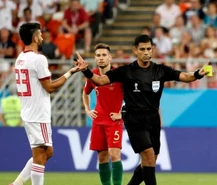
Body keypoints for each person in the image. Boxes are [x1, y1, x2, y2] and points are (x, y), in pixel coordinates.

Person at [75, 34, 209, 185]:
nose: (146, 52)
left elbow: (184, 76)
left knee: (151, 159)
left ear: (152, 50)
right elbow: (99, 80)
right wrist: (86, 71)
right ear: (135, 51)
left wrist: (198, 74)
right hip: (134, 118)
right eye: (142, 49)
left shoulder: (160, 70)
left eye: (148, 49)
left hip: (153, 118)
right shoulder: (126, 71)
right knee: (148, 154)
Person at [10, 22, 80, 185]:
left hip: (29, 111)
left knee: (46, 152)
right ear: (35, 38)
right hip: (38, 113)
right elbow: (49, 87)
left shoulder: (20, 58)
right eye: (40, 35)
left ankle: (16, 184)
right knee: (42, 155)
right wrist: (71, 72)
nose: (42, 37)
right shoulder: (38, 59)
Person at [82, 43, 124, 185]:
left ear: (110, 57)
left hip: (114, 121)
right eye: (98, 55)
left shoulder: (119, 75)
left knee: (114, 154)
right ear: (95, 58)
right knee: (102, 157)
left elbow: (132, 96)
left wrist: (122, 113)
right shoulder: (92, 75)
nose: (101, 58)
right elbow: (85, 92)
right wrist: (87, 109)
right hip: (98, 120)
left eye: (104, 55)